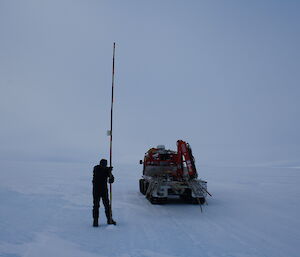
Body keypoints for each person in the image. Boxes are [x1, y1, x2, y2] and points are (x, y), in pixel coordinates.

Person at [92, 159, 116, 227]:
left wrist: (111, 175)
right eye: (103, 164)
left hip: (104, 190)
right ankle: (95, 221)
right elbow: (100, 174)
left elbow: (111, 180)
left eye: (105, 164)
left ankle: (109, 219)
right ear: (100, 164)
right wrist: (108, 170)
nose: (104, 165)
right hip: (96, 190)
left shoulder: (106, 170)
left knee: (107, 205)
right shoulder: (96, 168)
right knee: (96, 205)